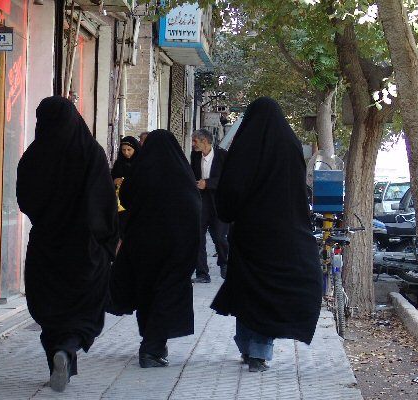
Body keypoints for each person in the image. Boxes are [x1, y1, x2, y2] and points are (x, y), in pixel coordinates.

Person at [210, 97, 322, 372]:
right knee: (267, 290)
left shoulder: (246, 145)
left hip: (250, 233)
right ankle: (258, 352)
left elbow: (232, 189)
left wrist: (228, 213)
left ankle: (249, 347)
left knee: (249, 288)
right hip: (284, 232)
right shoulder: (291, 144)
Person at [16, 96, 118, 391]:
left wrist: (48, 218)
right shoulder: (90, 153)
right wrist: (108, 241)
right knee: (84, 308)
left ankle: (57, 361)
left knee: (52, 308)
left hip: (47, 247)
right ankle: (68, 349)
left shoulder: (34, 156)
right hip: (85, 249)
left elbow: (26, 200)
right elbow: (105, 203)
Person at [109, 129, 201, 368]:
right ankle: (152, 347)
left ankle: (151, 344)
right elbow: (194, 209)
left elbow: (126, 198)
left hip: (143, 247)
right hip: (175, 248)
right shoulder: (183, 175)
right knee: (167, 293)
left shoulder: (140, 172)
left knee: (147, 292)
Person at [190, 129, 230, 283]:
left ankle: (224, 262)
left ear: (204, 141)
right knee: (198, 237)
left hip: (218, 201)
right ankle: (202, 273)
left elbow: (227, 178)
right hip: (201, 202)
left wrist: (208, 183)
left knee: (220, 237)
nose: (193, 144)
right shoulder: (195, 156)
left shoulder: (222, 156)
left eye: (195, 141)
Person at [111, 136, 141, 240]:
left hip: (136, 201)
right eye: (123, 150)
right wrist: (115, 181)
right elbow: (111, 177)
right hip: (121, 204)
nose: (126, 153)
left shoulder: (140, 163)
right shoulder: (119, 163)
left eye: (129, 150)